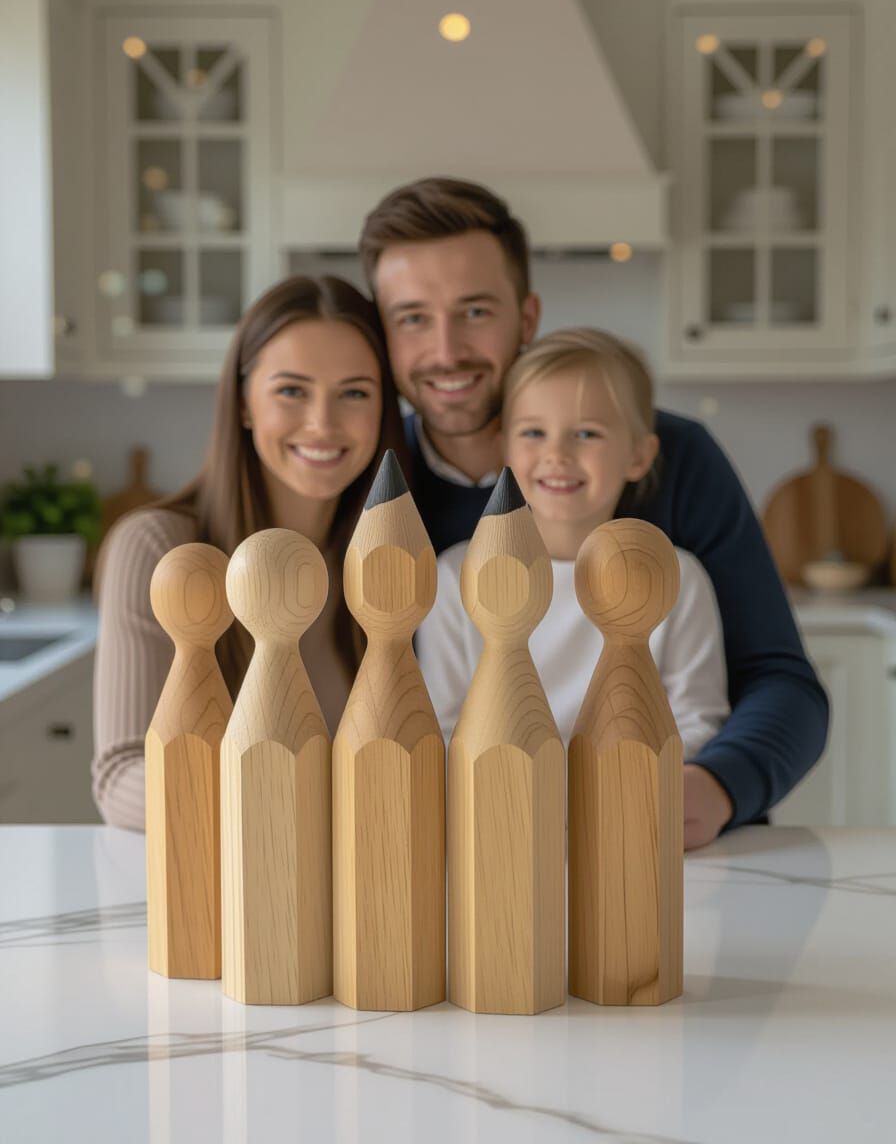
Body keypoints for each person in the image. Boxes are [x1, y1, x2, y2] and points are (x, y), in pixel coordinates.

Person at [359, 176, 829, 847]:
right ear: (384, 333)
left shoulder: (675, 459)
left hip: (661, 836)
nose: (446, 350)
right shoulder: (377, 486)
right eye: (411, 318)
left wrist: (716, 785)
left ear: (525, 317)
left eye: (475, 312)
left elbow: (782, 685)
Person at [92, 275, 409, 830]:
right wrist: (272, 799)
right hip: (221, 890)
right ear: (243, 403)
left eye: (354, 392)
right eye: (292, 390)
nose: (322, 423)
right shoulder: (158, 547)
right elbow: (121, 776)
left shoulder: (385, 562)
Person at [417, 329, 730, 848]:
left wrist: (612, 792)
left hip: (631, 830)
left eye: (586, 433)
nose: (557, 454)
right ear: (503, 449)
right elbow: (445, 729)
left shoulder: (678, 578)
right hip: (499, 830)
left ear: (638, 455)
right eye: (534, 433)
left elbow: (698, 721)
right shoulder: (457, 576)